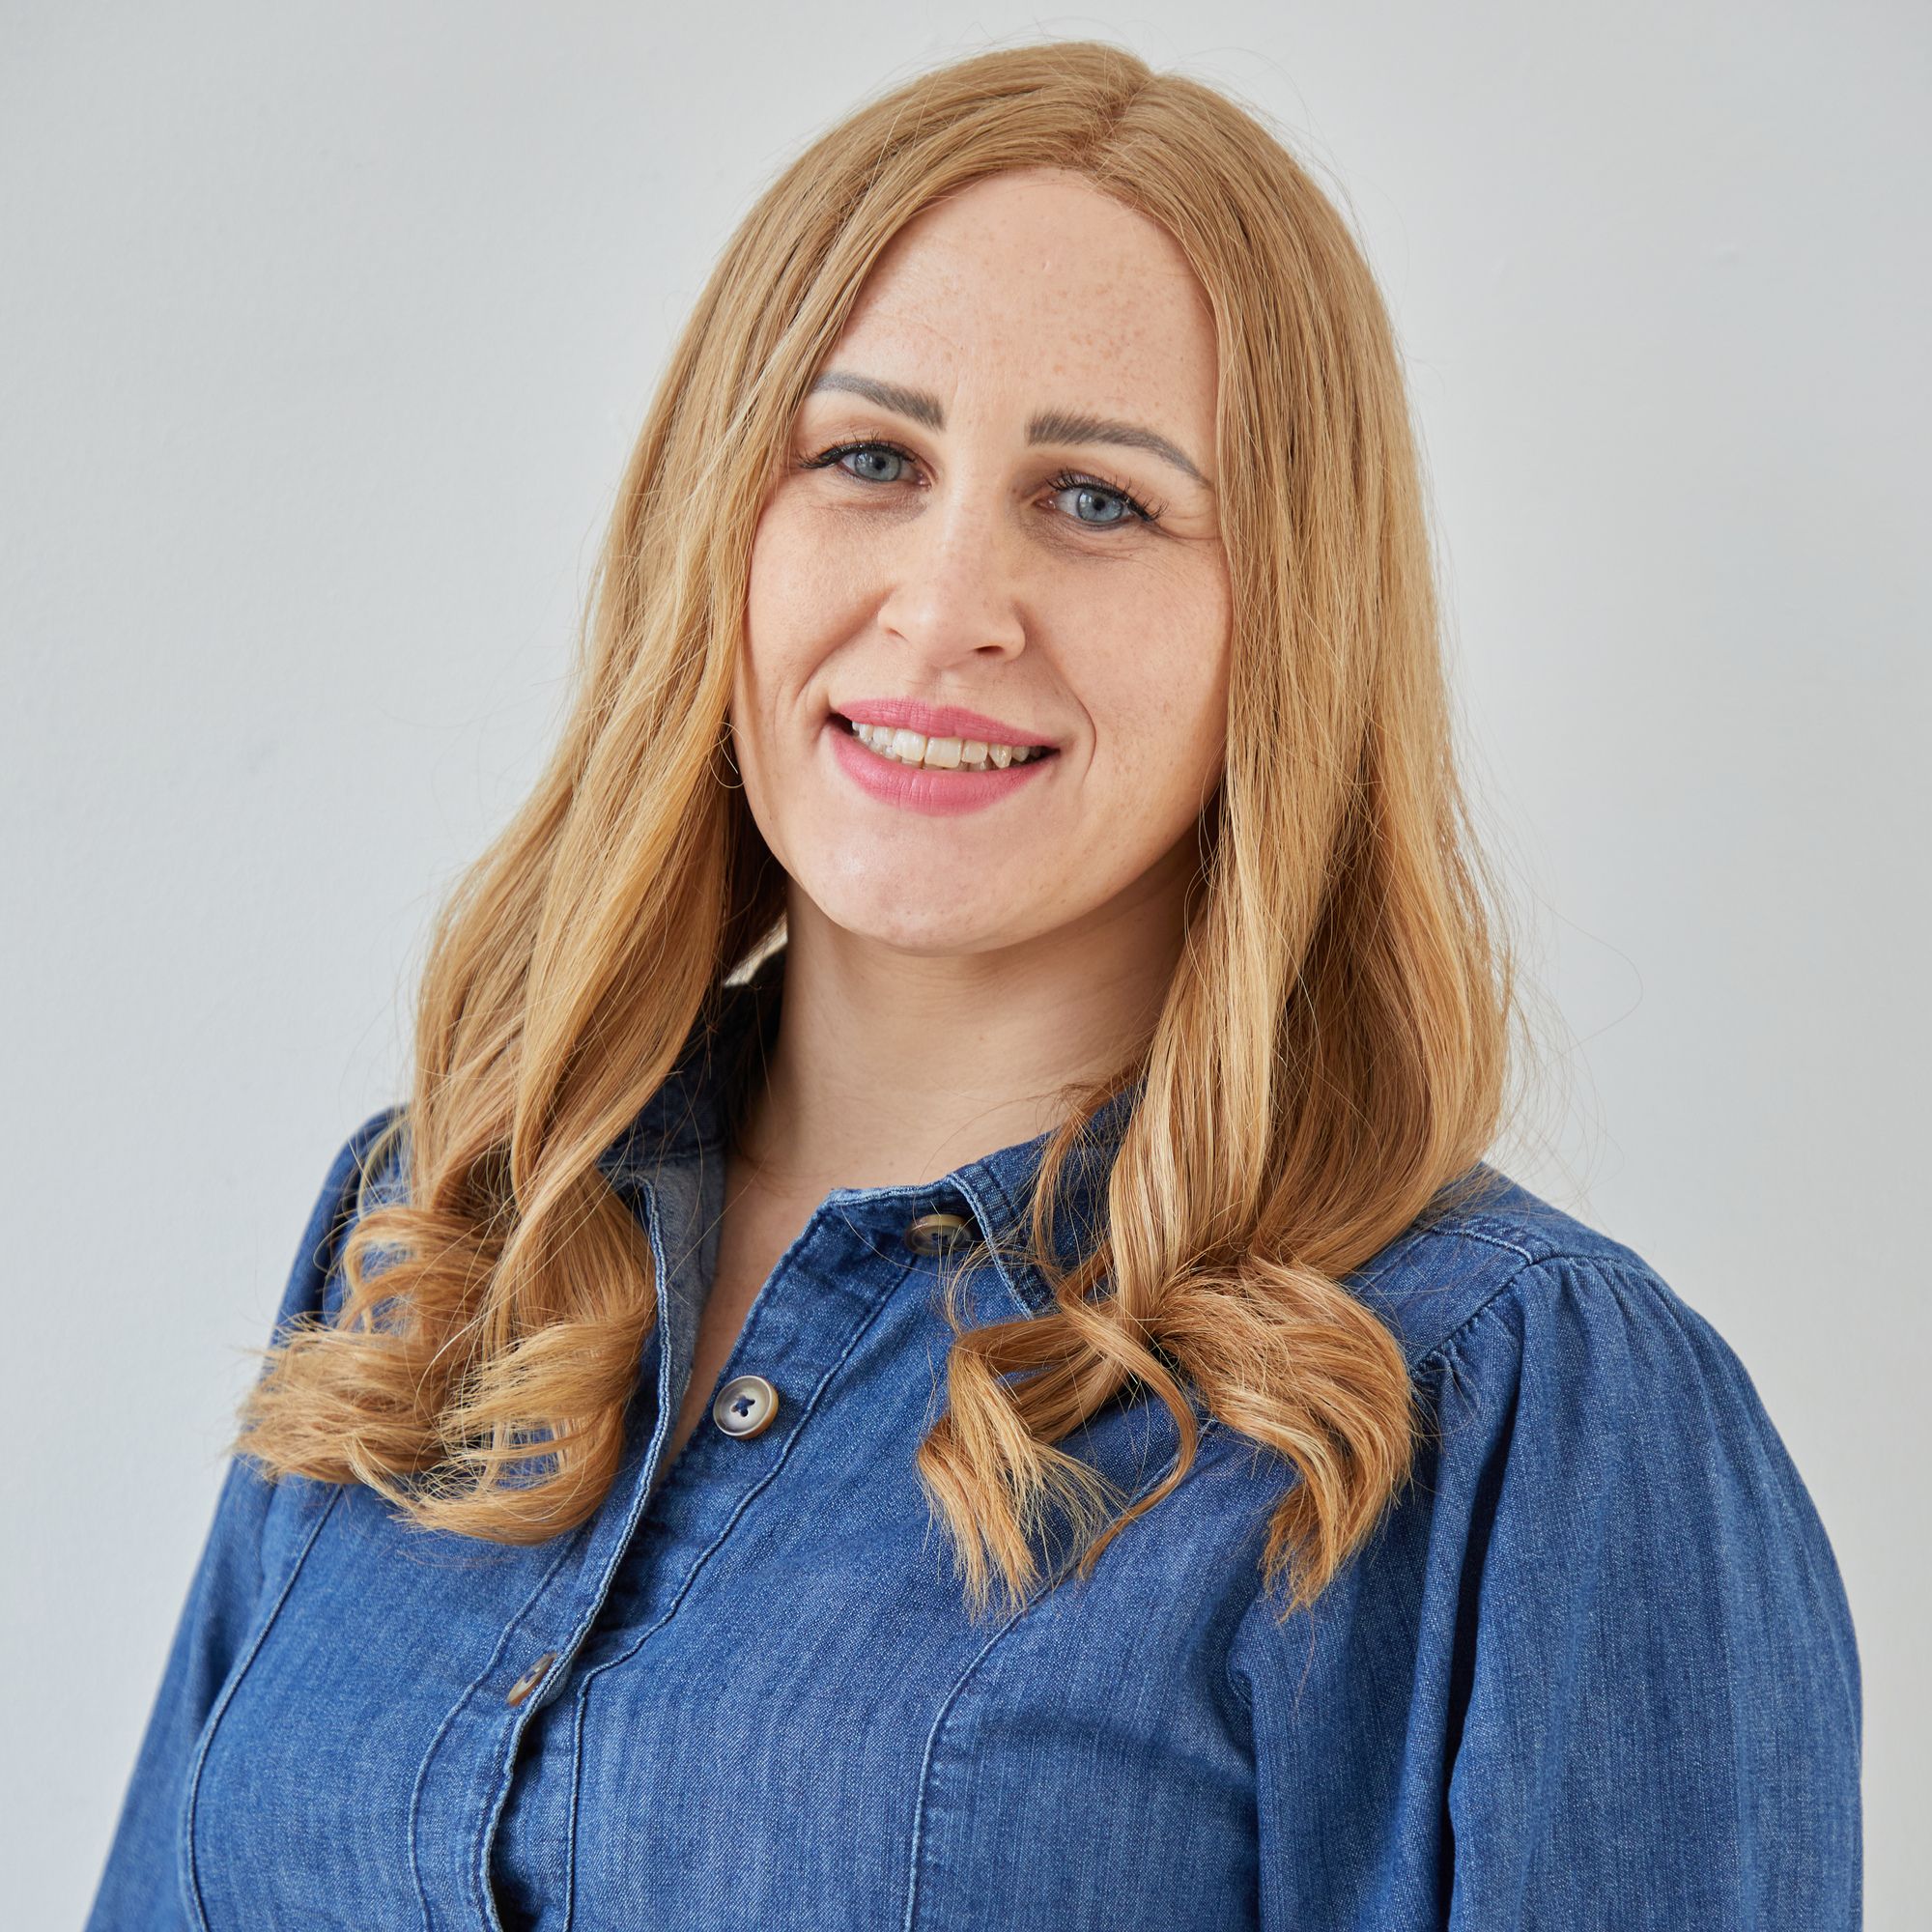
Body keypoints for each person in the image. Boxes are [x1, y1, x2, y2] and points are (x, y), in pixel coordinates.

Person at [85, 39, 1861, 1931]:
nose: (943, 608)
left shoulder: (1511, 1406)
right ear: (718, 528)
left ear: (1292, 620)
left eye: (1096, 500)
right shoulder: (437, 1232)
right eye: (868, 460)